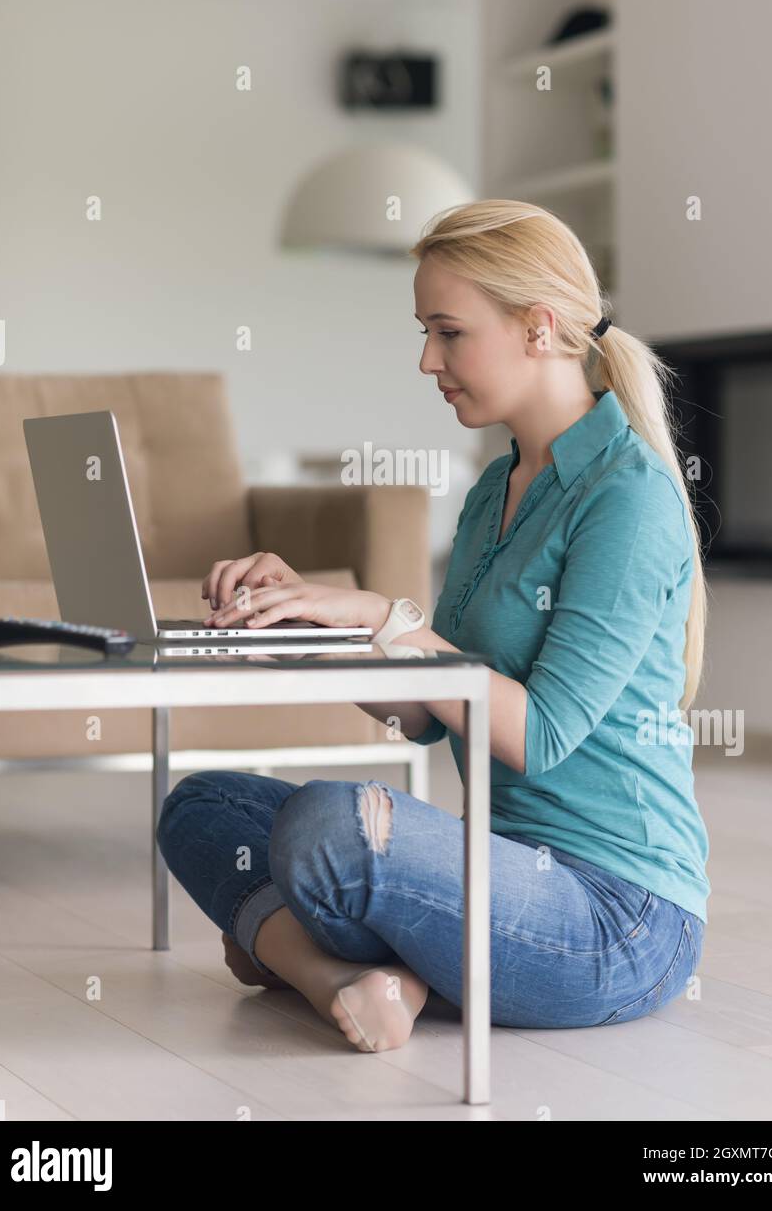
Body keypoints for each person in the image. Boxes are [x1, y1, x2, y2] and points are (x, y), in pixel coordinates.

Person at [156, 199, 710, 1054]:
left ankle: (314, 951)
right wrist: (300, 626)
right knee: (203, 805)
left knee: (329, 830)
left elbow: (539, 734)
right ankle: (350, 977)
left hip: (615, 916)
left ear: (539, 326)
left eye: (448, 333)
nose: (427, 360)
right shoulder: (498, 485)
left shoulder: (624, 496)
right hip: (491, 867)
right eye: (425, 332)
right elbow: (420, 717)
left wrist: (385, 616)